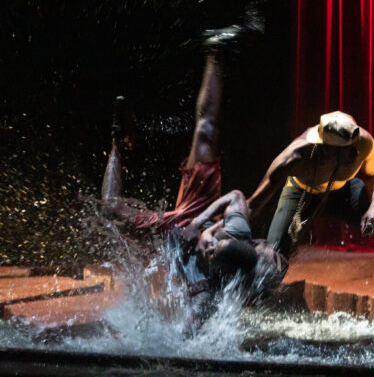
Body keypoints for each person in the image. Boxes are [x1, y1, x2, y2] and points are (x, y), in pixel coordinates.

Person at [100, 23, 286, 332]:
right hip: (196, 216)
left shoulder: (210, 286)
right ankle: (216, 49)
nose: (209, 249)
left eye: (210, 253)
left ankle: (115, 141)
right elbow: (237, 197)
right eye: (213, 247)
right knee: (206, 131)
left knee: (110, 208)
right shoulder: (235, 234)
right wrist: (205, 227)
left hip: (176, 234)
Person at [246, 111, 374, 339]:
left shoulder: (362, 142)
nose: (355, 152)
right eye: (347, 149)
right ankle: (237, 315)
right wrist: (229, 229)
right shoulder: (295, 157)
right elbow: (254, 203)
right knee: (272, 261)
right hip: (303, 195)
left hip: (343, 191)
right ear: (327, 149)